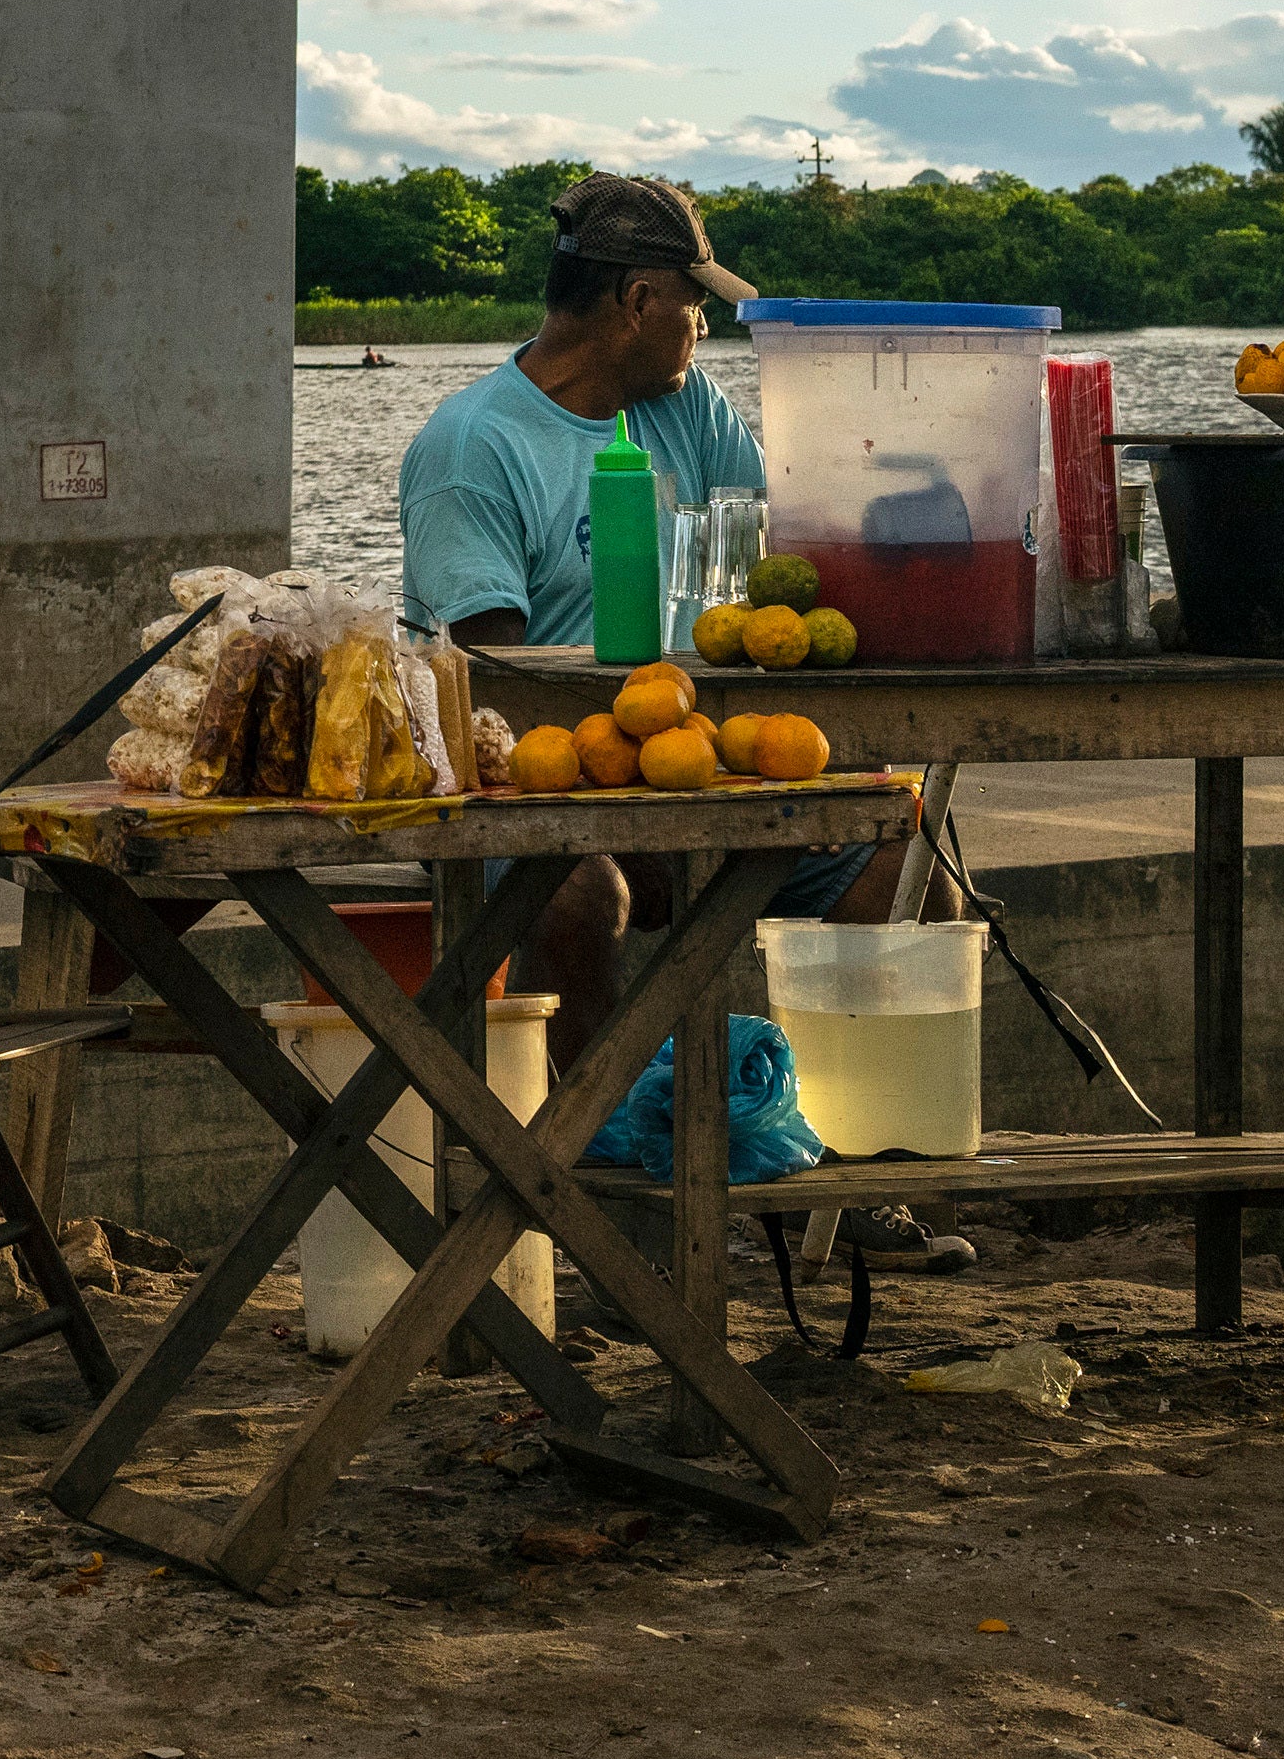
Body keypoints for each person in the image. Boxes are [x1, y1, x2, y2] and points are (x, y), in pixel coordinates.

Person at [396, 174, 944, 1261]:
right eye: (695, 305)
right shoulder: (474, 447)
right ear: (637, 301)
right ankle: (627, 1189)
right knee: (577, 890)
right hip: (535, 786)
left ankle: (823, 1170)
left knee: (903, 856)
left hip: (700, 768)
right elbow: (492, 685)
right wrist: (636, 778)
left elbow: (784, 561)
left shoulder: (686, 408)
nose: (705, 327)